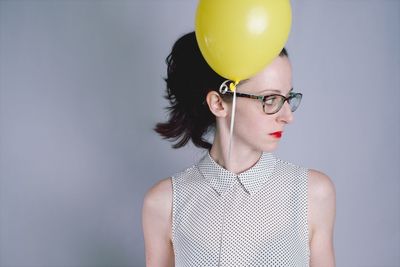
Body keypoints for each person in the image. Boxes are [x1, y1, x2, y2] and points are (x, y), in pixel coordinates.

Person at [142, 31, 336, 267]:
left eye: (288, 98)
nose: (287, 117)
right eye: (270, 99)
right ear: (218, 103)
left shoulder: (313, 193)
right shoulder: (164, 203)